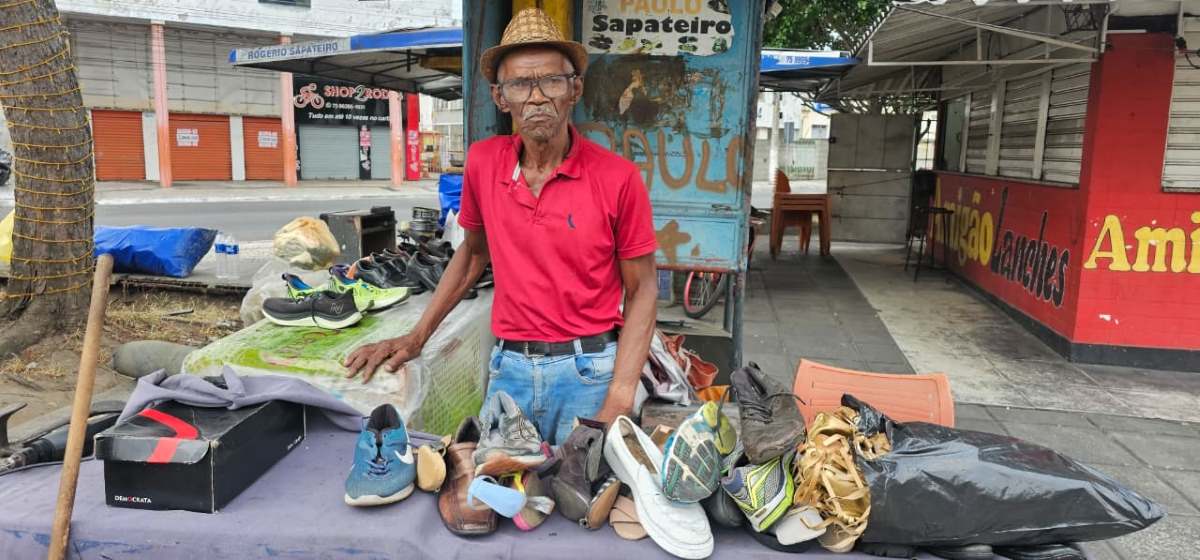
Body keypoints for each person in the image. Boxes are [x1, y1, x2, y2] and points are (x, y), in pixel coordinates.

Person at [344, 8, 658, 445]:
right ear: (500, 97)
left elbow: (642, 290)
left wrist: (620, 397)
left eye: (551, 80)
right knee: (494, 501)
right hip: (508, 368)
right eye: (520, 84)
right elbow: (473, 254)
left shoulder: (618, 177)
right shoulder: (483, 162)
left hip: (589, 371)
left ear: (574, 89)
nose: (536, 97)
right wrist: (417, 337)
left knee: (582, 502)